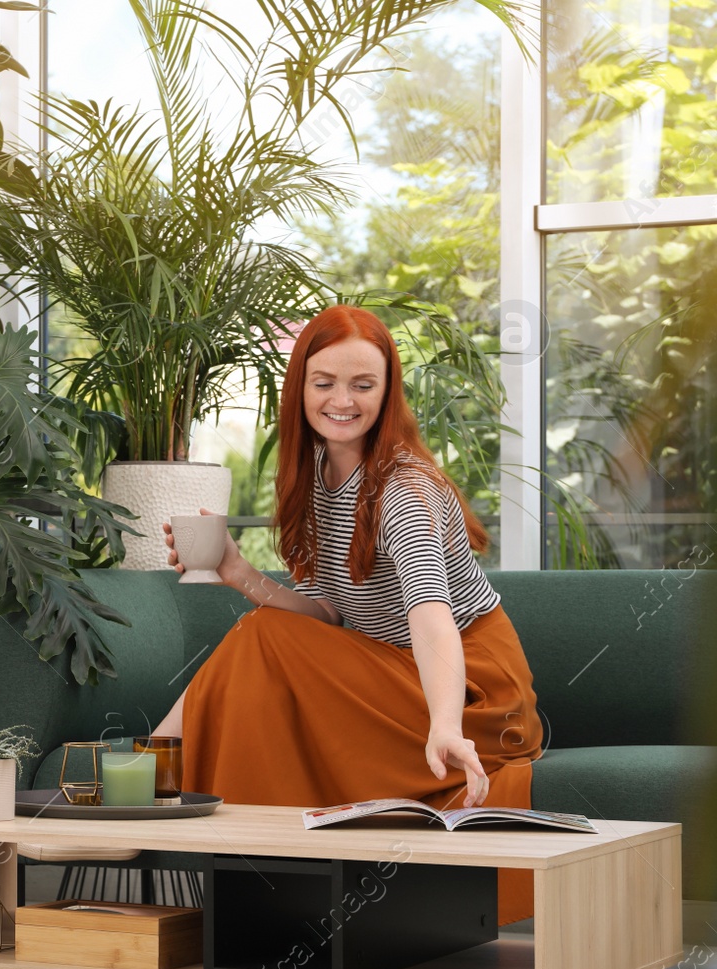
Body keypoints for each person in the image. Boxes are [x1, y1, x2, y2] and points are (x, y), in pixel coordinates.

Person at [152, 305, 542, 923]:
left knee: (264, 639)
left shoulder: (402, 487)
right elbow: (331, 616)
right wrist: (236, 571)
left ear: (387, 394)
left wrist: (446, 726)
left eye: (363, 385)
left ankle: (151, 770)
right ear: (300, 388)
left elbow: (430, 611)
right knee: (267, 633)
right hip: (386, 670)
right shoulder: (315, 474)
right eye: (325, 382)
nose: (343, 400)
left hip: (469, 690)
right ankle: (163, 779)